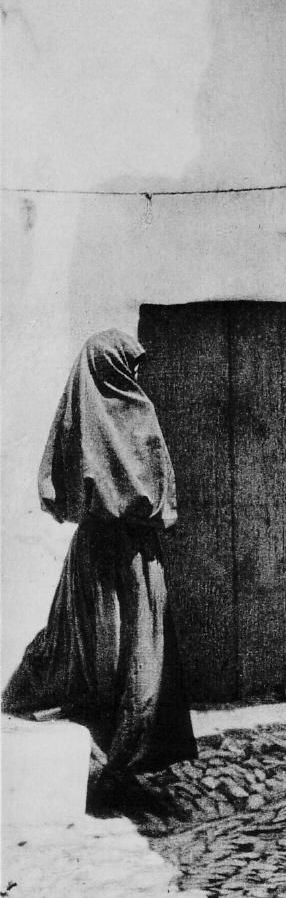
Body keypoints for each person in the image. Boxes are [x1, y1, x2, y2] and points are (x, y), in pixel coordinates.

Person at [2, 329, 197, 775]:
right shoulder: (94, 416)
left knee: (138, 651)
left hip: (121, 553)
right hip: (117, 555)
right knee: (108, 651)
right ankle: (109, 754)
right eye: (128, 365)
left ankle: (131, 751)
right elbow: (148, 489)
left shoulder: (114, 411)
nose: (133, 374)